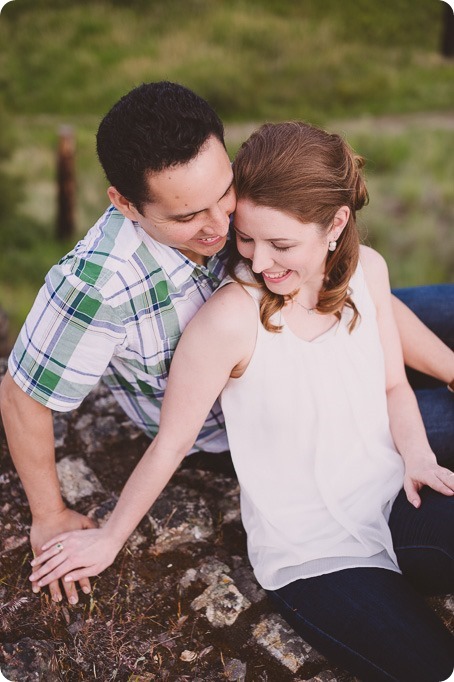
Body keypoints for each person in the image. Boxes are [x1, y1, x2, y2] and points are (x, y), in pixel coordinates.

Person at [28, 121, 454, 681]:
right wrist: (108, 537)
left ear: (336, 225)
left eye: (280, 244)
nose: (258, 261)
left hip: (393, 492)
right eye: (246, 239)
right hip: (313, 553)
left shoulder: (368, 272)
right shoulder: (229, 318)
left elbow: (395, 385)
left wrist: (419, 458)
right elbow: (172, 441)